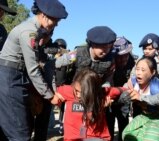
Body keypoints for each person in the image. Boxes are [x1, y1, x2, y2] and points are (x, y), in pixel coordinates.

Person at [0, 0, 68, 140]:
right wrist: (50, 96)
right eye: (54, 21)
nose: (55, 25)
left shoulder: (34, 31)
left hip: (15, 76)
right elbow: (33, 69)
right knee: (20, 134)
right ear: (43, 15)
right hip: (9, 77)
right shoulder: (29, 32)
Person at [55, 68, 126, 141]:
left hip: (96, 137)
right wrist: (54, 97)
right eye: (76, 90)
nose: (78, 95)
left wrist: (129, 90)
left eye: (82, 93)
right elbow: (52, 91)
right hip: (73, 138)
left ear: (94, 91)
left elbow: (120, 90)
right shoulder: (68, 91)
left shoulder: (101, 93)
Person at [122, 56, 159, 141]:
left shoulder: (156, 87)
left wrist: (142, 102)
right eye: (137, 69)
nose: (138, 73)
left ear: (152, 72)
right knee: (127, 134)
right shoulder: (134, 81)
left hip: (158, 118)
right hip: (144, 115)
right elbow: (127, 85)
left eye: (143, 70)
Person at [106, 36, 135, 141]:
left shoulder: (132, 63)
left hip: (124, 99)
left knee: (124, 125)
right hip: (110, 98)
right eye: (119, 56)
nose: (123, 59)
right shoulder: (108, 63)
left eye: (125, 55)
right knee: (109, 125)